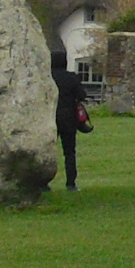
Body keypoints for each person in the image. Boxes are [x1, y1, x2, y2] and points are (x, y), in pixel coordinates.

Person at [52, 48, 85, 191]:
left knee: (48, 151)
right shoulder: (71, 78)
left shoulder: (47, 77)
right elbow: (82, 95)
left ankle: (43, 182)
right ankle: (71, 183)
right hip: (69, 118)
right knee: (70, 152)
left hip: (50, 117)